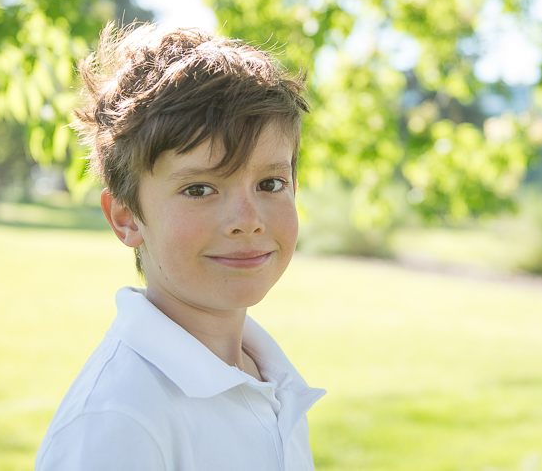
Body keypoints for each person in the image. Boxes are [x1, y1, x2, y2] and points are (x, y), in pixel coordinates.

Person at [35, 23, 325, 470]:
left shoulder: (272, 381)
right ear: (127, 217)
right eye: (199, 189)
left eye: (270, 183)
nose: (248, 221)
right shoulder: (119, 422)